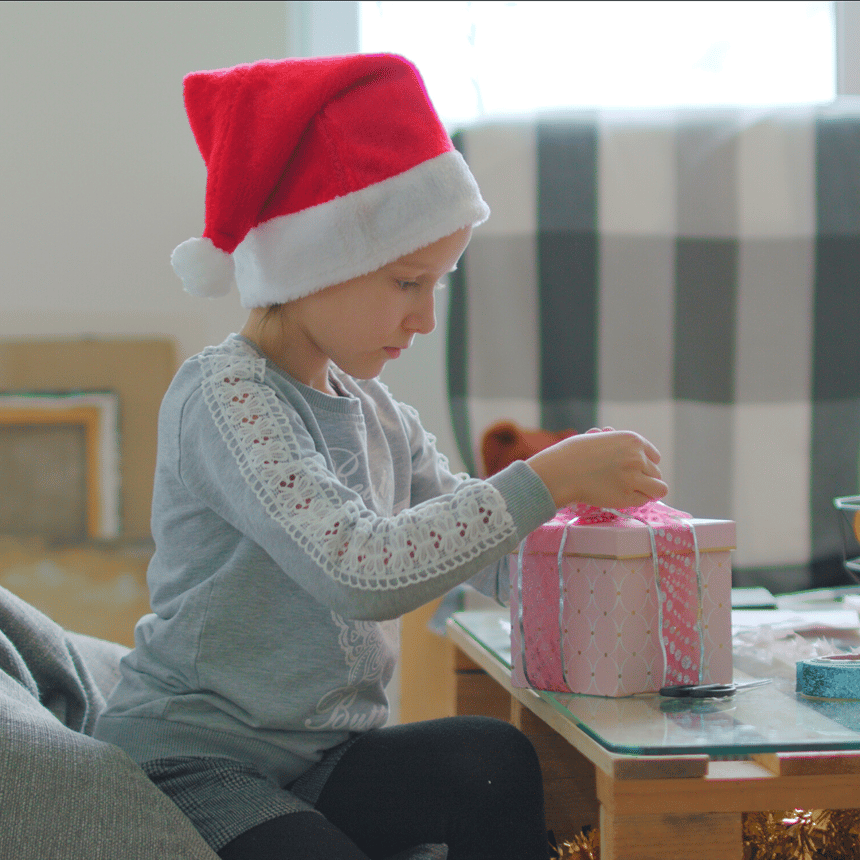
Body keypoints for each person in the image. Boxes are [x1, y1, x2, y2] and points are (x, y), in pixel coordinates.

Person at [94, 54, 667, 860]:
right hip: (200, 764)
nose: (425, 319)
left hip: (322, 760)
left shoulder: (375, 412)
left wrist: (618, 549)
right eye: (407, 282)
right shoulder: (226, 397)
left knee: (494, 758)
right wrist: (549, 476)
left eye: (437, 284)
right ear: (313, 264)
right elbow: (358, 571)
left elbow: (490, 552)